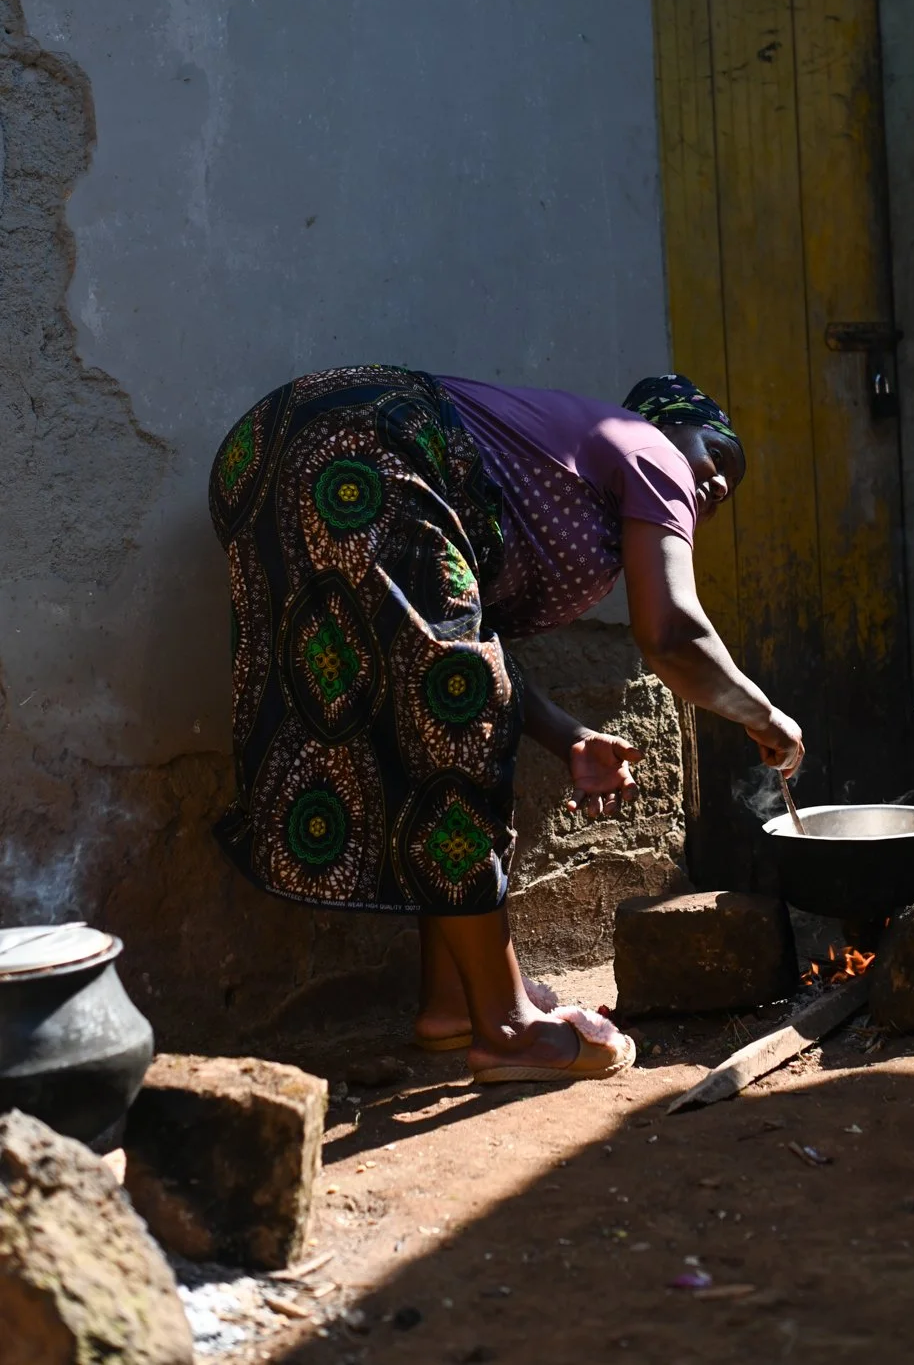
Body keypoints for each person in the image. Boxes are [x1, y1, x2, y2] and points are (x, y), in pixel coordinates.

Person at [208, 367, 804, 1083]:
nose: (712, 486)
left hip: (269, 452)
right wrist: (767, 718)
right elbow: (672, 634)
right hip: (362, 439)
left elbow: (462, 645)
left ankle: (454, 1003)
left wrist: (569, 737)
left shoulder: (568, 478)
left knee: (442, 706)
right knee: (456, 721)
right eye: (718, 458)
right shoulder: (650, 449)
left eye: (725, 491)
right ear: (672, 427)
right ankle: (509, 1028)